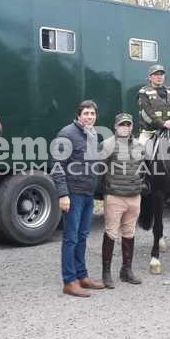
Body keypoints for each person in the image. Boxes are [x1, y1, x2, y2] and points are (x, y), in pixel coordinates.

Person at [50, 100, 106, 297]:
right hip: (73, 194)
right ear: (78, 115)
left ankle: (82, 276)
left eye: (92, 114)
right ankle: (69, 281)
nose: (90, 117)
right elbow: (56, 165)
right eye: (86, 113)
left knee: (82, 236)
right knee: (71, 238)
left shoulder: (93, 135)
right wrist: (63, 194)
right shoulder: (67, 134)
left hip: (88, 193)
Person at [100, 113, 144, 288]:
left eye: (128, 124)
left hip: (134, 196)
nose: (125, 127)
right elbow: (99, 170)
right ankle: (106, 272)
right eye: (122, 124)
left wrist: (142, 184)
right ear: (115, 126)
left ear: (132, 127)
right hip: (115, 196)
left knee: (129, 233)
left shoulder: (139, 146)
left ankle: (126, 270)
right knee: (111, 233)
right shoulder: (108, 145)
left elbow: (143, 169)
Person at [137, 64, 170, 149]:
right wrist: (163, 123)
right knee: (139, 153)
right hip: (150, 132)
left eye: (161, 74)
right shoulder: (143, 92)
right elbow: (148, 112)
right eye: (156, 74)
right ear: (150, 77)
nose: (159, 77)